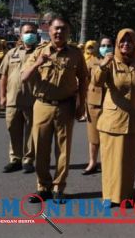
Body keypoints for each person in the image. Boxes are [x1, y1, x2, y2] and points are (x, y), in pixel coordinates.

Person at [21, 17, 88, 204]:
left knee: (63, 150)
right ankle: (43, 187)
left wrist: (81, 104)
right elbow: (24, 77)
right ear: (49, 30)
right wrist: (37, 63)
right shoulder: (39, 52)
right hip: (42, 105)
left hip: (66, 106)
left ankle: (59, 187)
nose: (59, 32)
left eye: (63, 29)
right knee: (40, 148)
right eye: (56, 29)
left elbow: (83, 80)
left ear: (68, 32)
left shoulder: (75, 54)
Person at [93, 29, 135, 206]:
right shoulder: (110, 62)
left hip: (133, 119)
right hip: (112, 119)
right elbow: (96, 82)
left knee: (128, 161)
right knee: (110, 160)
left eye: (130, 41)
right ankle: (109, 195)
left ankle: (125, 195)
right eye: (122, 41)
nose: (126, 44)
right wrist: (104, 63)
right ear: (117, 43)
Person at [0, 24, 38, 173]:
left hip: (32, 100)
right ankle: (15, 159)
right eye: (27, 32)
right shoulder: (11, 53)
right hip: (12, 99)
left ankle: (28, 160)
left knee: (31, 132)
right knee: (13, 130)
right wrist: (2, 96)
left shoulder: (41, 54)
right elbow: (3, 76)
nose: (30, 34)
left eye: (33, 32)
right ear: (20, 35)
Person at [83, 38, 112, 175]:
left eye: (109, 45)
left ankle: (108, 163)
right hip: (94, 102)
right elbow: (85, 83)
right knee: (93, 137)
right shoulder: (90, 62)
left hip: (111, 103)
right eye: (103, 45)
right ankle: (92, 162)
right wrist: (83, 102)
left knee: (109, 137)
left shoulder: (117, 62)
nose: (106, 48)